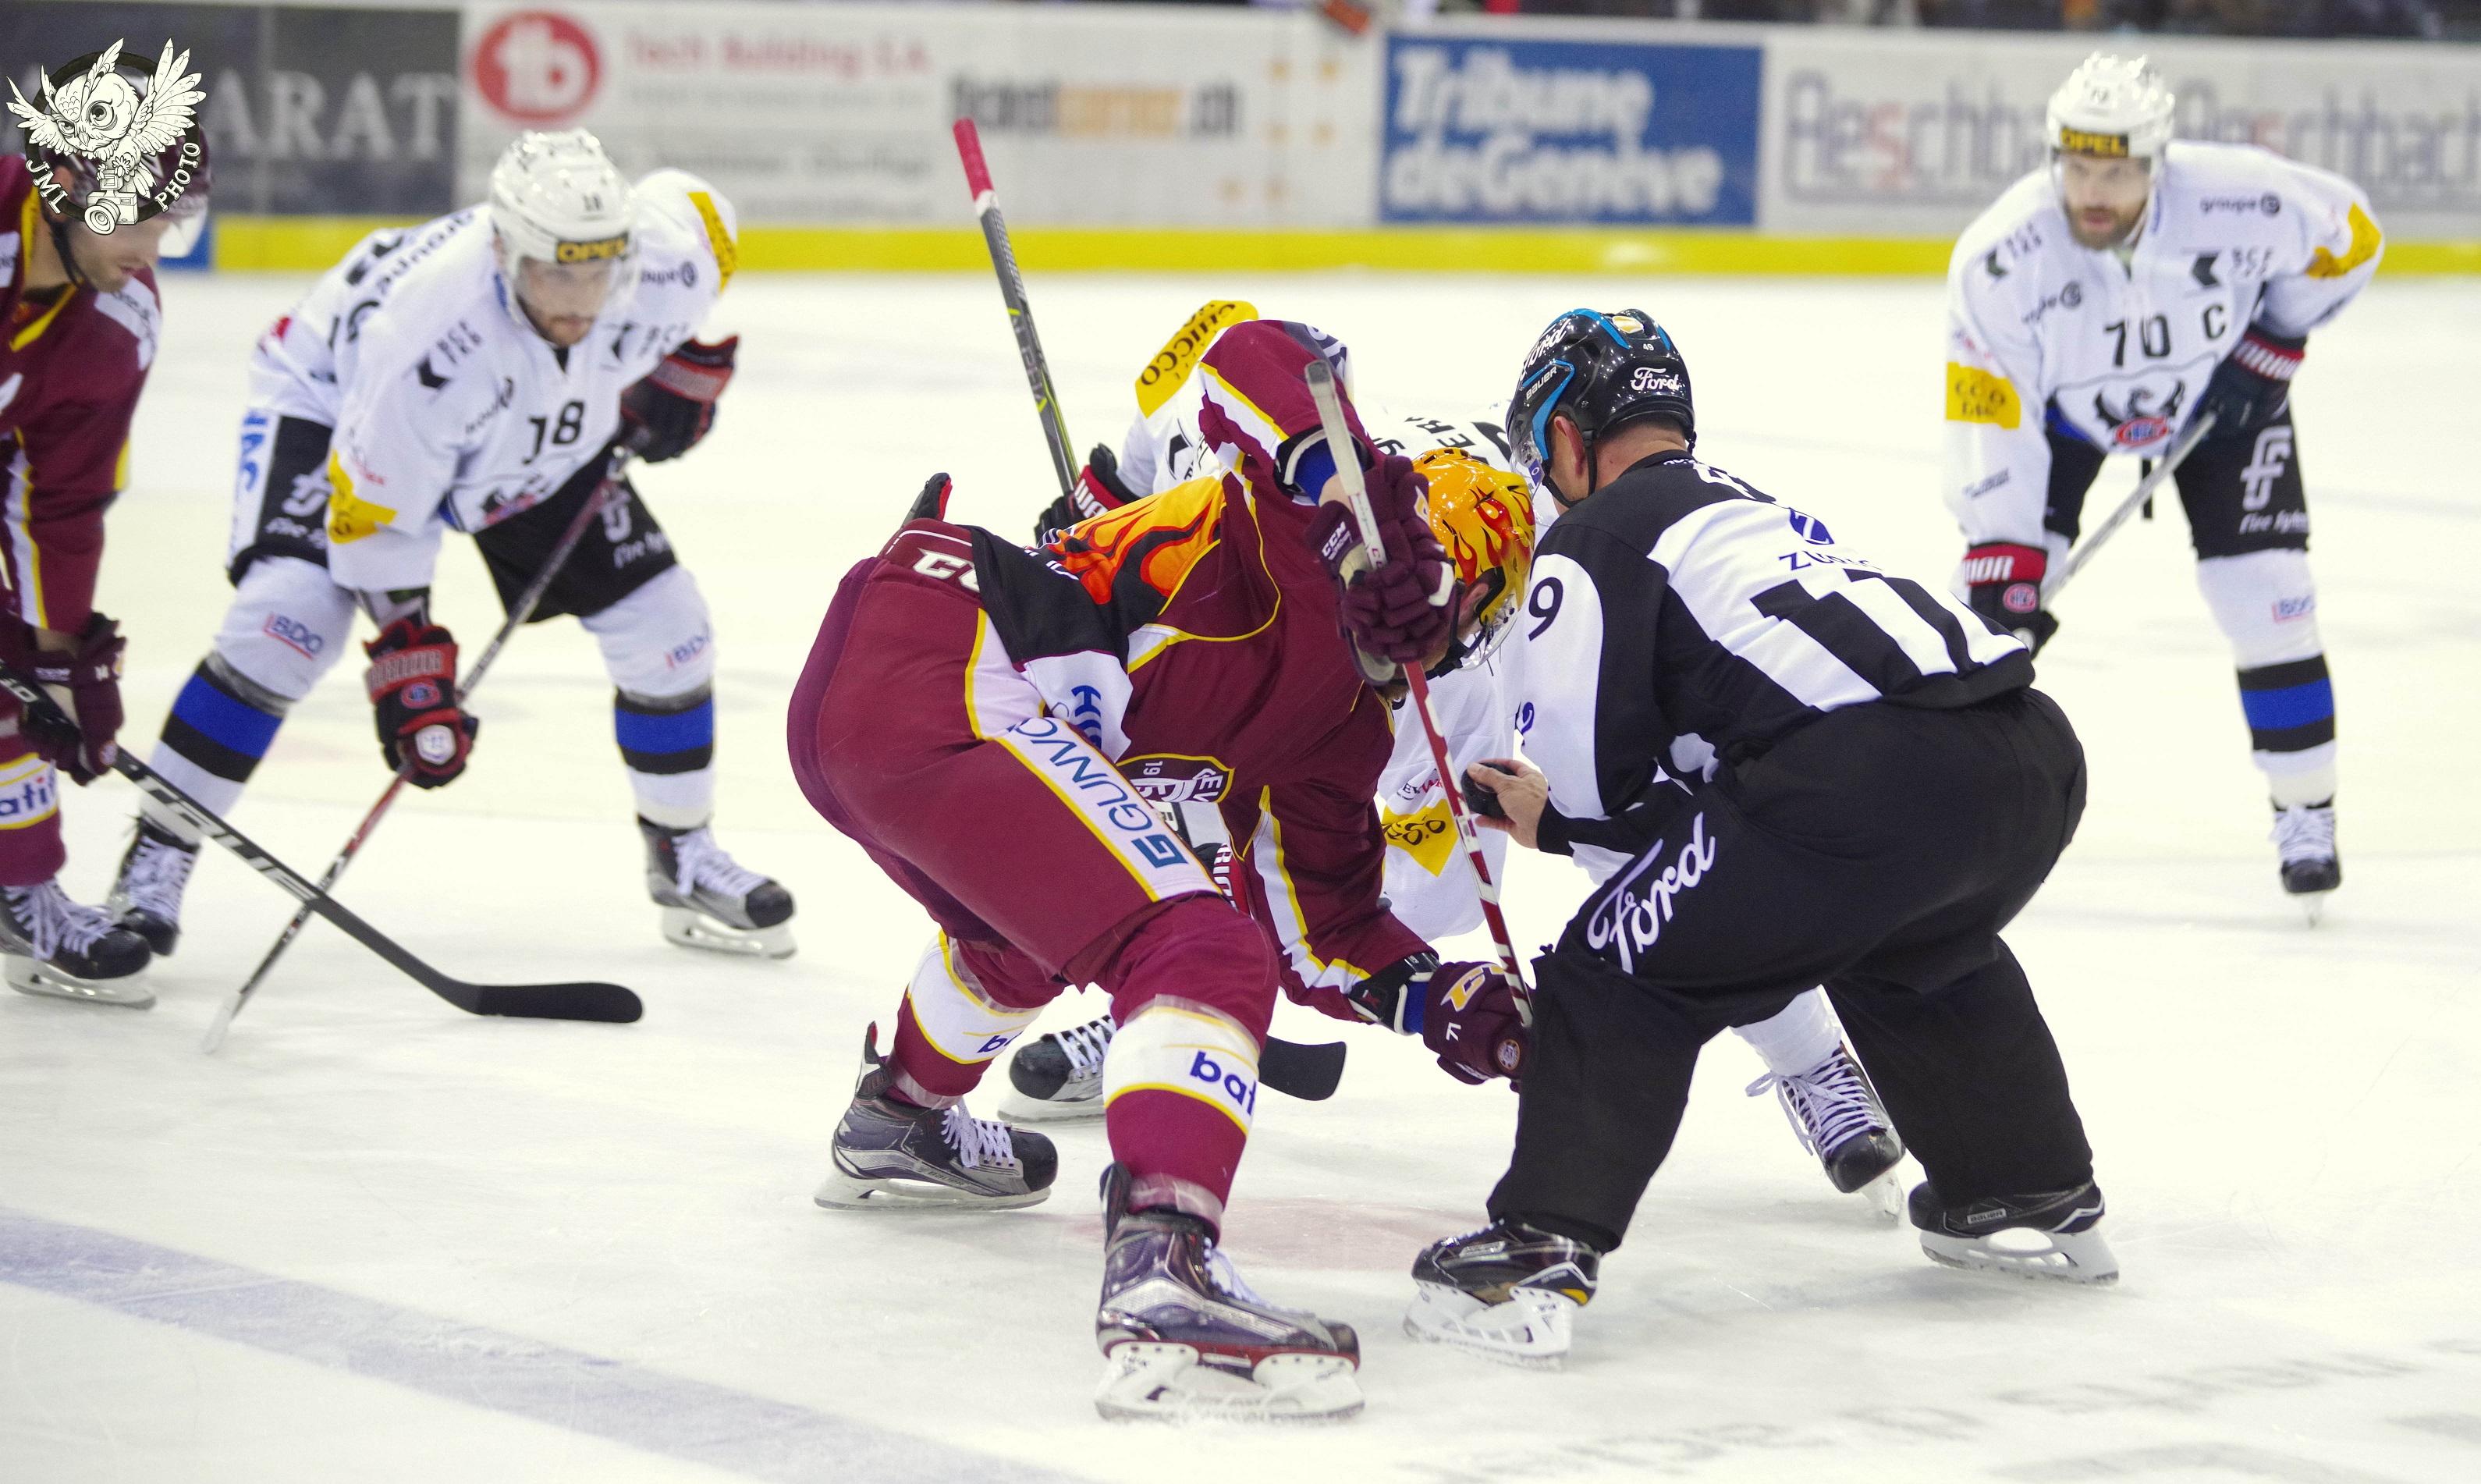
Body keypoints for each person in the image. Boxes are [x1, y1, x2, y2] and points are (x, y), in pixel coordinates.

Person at [786, 318, 1530, 1420]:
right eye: (1419, 566)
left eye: (1448, 598)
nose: (1418, 606)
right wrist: (1354, 500)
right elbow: (1251, 353)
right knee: (1201, 946)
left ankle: (899, 1115)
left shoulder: (1343, 732)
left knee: (1044, 937)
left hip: (896, 705)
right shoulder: (1292, 528)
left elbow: (1322, 933)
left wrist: (1450, 1002)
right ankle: (1164, 1277)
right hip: (941, 649)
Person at [1003, 304, 1908, 1209]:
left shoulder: (1537, 587)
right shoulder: (1257, 469)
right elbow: (1220, 350)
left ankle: (1813, 1060)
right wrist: (1100, 495)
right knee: (1131, 820)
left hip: (1453, 701)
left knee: (1597, 852)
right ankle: (1170, 1004)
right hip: (1263, 659)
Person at [1408, 308, 2115, 1371]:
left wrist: (1553, 823)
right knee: (1910, 939)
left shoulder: (1592, 539)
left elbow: (1600, 795)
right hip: (2028, 758)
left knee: (1612, 960)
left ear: (1563, 435)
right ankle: (2022, 1185)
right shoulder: (1751, 509)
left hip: (1865, 781)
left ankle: (1536, 1249)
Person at [107, 130, 795, 963]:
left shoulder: (669, 260)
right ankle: (158, 853)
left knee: (668, 626)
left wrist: (670, 364)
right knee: (287, 622)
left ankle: (682, 854)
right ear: (505, 252)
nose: (581, 299)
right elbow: (378, 517)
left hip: (529, 424)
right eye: (557, 274)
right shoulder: (426, 340)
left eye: (600, 272)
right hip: (335, 404)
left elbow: (700, 209)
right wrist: (409, 648)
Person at [1944, 53, 2381, 918]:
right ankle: (1946, 815)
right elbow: (1992, 406)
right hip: (2070, 420)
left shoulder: (2240, 197)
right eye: (2076, 168)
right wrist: (2006, 548)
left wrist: (2272, 344)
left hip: (2223, 401)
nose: (2092, 192)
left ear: (2157, 162)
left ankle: (2307, 811)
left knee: (2269, 596)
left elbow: (2352, 237)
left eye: (2116, 172)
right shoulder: (2002, 258)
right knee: (1985, 615)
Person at [0, 126, 209, 1006]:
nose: (147, 250)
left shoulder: (117, 322)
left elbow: (59, 500)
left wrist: (56, 657)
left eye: (166, 225)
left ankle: (21, 893)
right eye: (131, 220)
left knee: (14, 682)